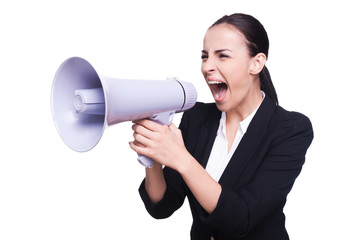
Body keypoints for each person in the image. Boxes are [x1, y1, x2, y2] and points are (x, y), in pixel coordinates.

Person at [129, 13, 313, 240]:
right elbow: (162, 206)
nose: (207, 67)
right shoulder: (196, 118)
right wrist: (153, 155)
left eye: (222, 56)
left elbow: (242, 217)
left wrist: (180, 157)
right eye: (204, 56)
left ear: (256, 63)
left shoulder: (291, 129)